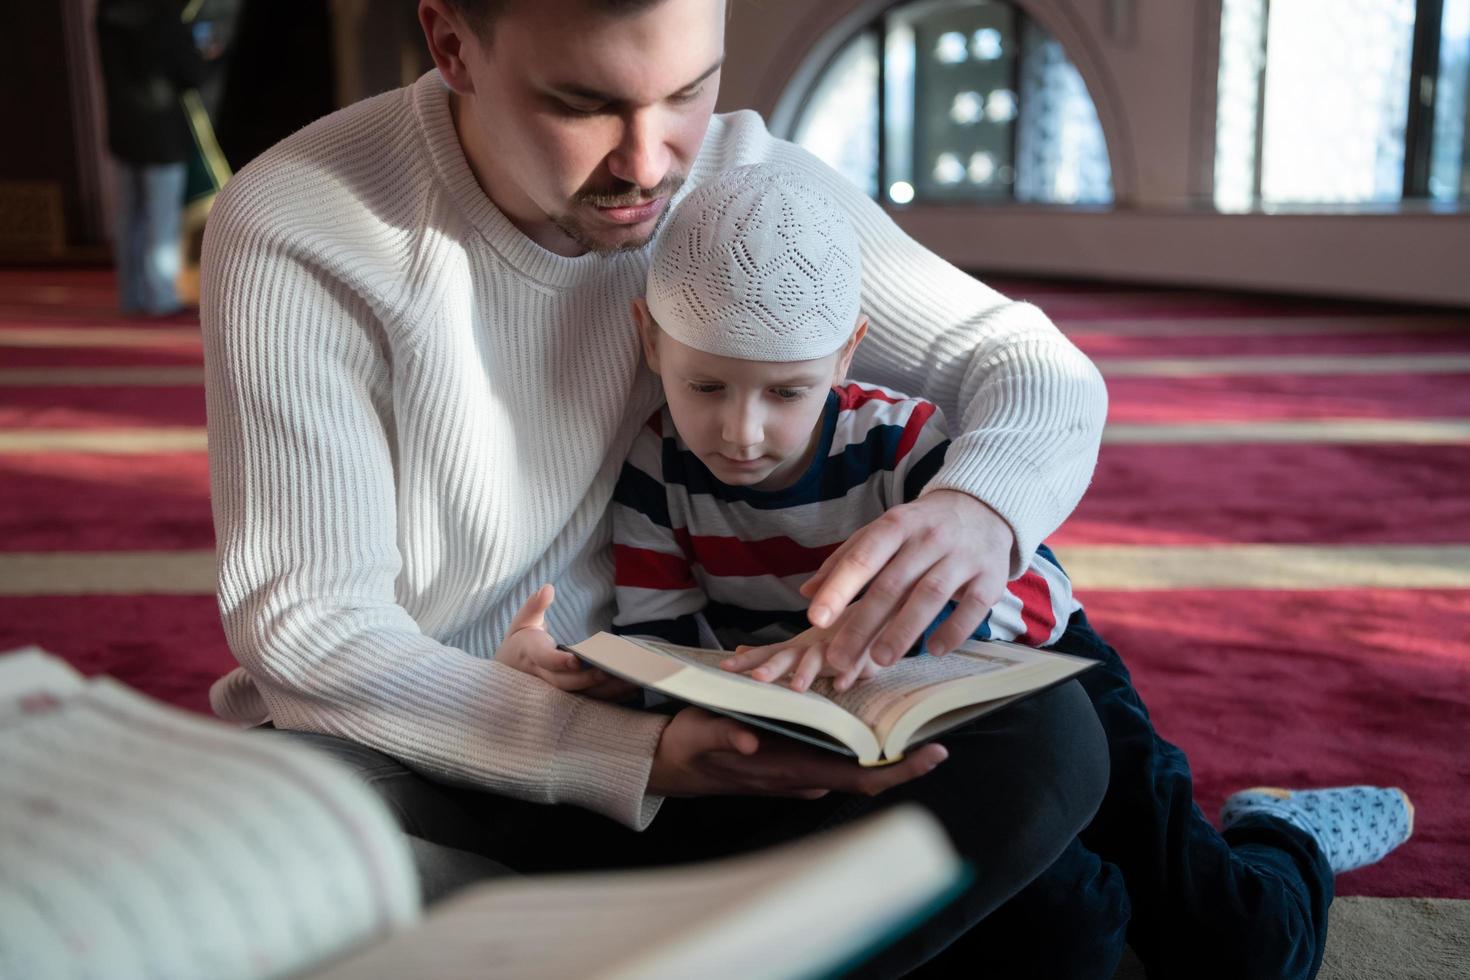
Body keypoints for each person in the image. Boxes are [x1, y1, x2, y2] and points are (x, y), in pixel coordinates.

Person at [200, 0, 1111, 973]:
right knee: (261, 830)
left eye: (687, 91)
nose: (648, 165)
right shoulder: (302, 219)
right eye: (582, 104)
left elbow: (1023, 361)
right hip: (445, 743)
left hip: (706, 739)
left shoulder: (735, 185)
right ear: (453, 44)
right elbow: (313, 631)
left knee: (1043, 738)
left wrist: (977, 507)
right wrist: (628, 753)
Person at [500, 164, 1415, 980]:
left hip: (1037, 685)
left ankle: (1281, 833)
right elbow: (670, 643)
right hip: (859, 732)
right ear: (651, 342)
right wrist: (612, 679)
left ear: (847, 353)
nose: (742, 432)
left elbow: (1040, 594)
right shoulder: (658, 470)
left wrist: (885, 641)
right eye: (708, 387)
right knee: (1066, 934)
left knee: (1243, 948)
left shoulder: (901, 441)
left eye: (786, 393)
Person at [95, 0, 208, 316]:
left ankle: (130, 297)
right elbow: (191, 74)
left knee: (129, 217)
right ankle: (161, 298)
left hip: (122, 129)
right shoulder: (165, 15)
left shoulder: (107, 14)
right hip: (161, 132)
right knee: (162, 219)